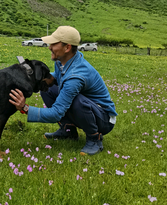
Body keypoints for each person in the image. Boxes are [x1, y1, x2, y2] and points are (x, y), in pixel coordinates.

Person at [9, 26, 117, 155]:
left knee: (77, 101)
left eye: (54, 43)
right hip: (92, 109)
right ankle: (68, 130)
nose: (49, 47)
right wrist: (47, 78)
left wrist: (25, 108)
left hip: (104, 119)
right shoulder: (63, 60)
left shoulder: (76, 76)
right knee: (47, 88)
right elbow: (60, 74)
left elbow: (56, 113)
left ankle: (94, 138)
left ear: (67, 48)